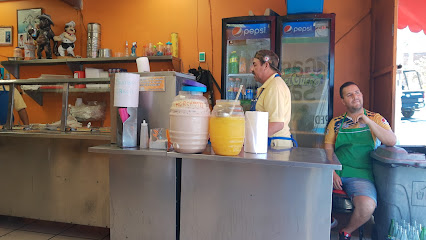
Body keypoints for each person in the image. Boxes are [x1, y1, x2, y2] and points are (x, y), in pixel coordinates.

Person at [324, 81, 397, 240]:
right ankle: (324, 223)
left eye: (357, 92)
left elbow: (391, 141)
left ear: (362, 95)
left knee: (367, 206)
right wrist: (332, 171)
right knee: (310, 191)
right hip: (336, 171)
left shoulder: (375, 118)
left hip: (361, 174)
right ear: (343, 101)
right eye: (349, 95)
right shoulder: (336, 123)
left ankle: (346, 231)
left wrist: (368, 121)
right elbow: (328, 149)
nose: (355, 97)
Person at [250, 50, 292, 149]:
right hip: (269, 143)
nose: (251, 69)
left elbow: (277, 124)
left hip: (275, 146)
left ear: (266, 65)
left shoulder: (275, 87)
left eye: (255, 65)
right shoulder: (269, 85)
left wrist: (249, 139)